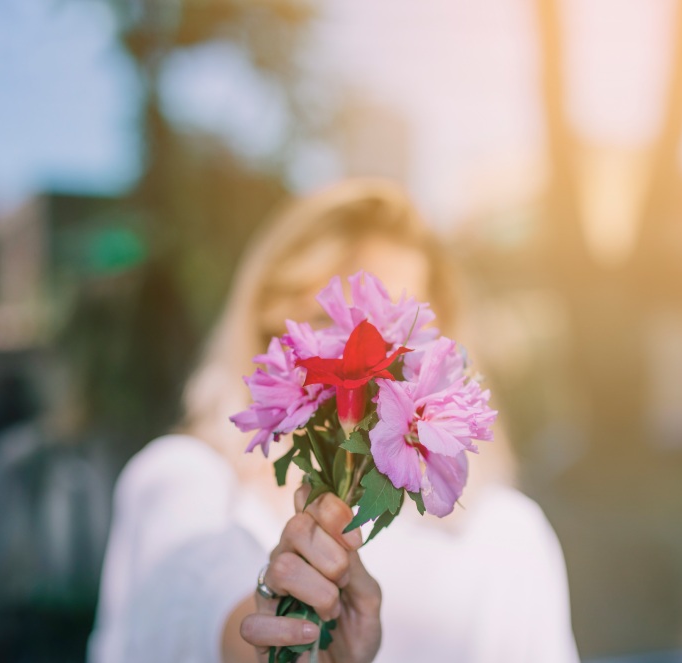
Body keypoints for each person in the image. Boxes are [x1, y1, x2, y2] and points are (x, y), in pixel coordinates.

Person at [88, 179, 580, 662]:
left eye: (393, 334)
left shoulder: (504, 534)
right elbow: (185, 594)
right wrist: (268, 636)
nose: (359, 353)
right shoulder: (183, 476)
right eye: (326, 321)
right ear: (266, 325)